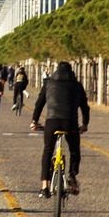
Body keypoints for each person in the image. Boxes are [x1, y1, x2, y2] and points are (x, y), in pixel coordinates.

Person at [30, 61, 89, 197]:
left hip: (52, 121)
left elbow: (39, 104)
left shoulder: (49, 83)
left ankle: (44, 186)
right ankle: (72, 175)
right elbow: (85, 107)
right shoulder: (77, 85)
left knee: (48, 151)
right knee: (74, 150)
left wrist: (34, 121)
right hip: (70, 122)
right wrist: (85, 123)